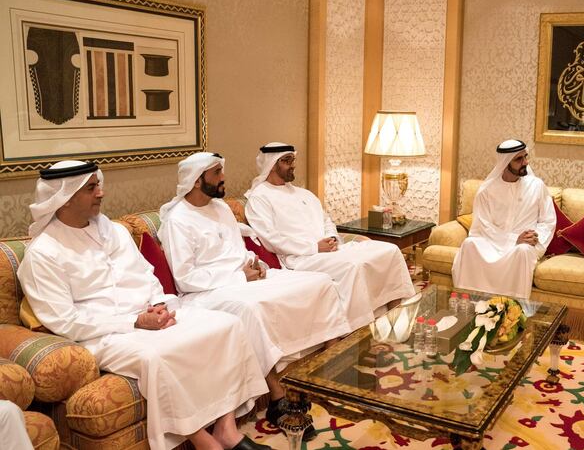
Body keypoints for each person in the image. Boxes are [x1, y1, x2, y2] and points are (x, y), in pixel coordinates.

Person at [17, 161, 270, 450]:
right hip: (104, 334)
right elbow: (64, 320)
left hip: (149, 317)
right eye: (91, 188)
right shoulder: (43, 253)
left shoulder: (114, 231)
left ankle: (226, 429)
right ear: (64, 196)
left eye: (98, 185)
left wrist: (159, 304)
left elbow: (146, 275)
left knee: (226, 325)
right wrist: (135, 322)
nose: (101, 193)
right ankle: (204, 442)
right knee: (159, 356)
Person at [158, 152, 354, 434]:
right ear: (197, 181)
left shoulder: (221, 209)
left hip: (245, 279)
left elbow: (239, 251)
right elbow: (186, 278)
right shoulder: (179, 220)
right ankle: (277, 399)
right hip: (208, 292)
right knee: (250, 310)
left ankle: (326, 373)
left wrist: (255, 264)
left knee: (318, 283)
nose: (223, 177)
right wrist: (240, 276)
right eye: (216, 173)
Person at [244, 143, 416, 325]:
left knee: (389, 250)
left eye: (293, 160)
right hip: (300, 258)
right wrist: (315, 247)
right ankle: (357, 328)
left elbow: (326, 220)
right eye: (286, 161)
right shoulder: (259, 198)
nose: (293, 165)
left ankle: (398, 314)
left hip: (330, 250)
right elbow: (271, 240)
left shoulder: (304, 194)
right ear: (271, 165)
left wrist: (332, 238)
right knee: (352, 266)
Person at [451, 139, 556, 298]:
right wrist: (513, 238)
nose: (525, 162)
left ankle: (513, 308)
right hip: (493, 241)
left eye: (525, 157)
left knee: (522, 251)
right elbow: (482, 226)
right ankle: (471, 303)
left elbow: (548, 221)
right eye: (519, 159)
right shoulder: (487, 190)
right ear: (505, 162)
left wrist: (534, 237)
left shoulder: (536, 186)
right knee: (469, 244)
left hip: (525, 245)